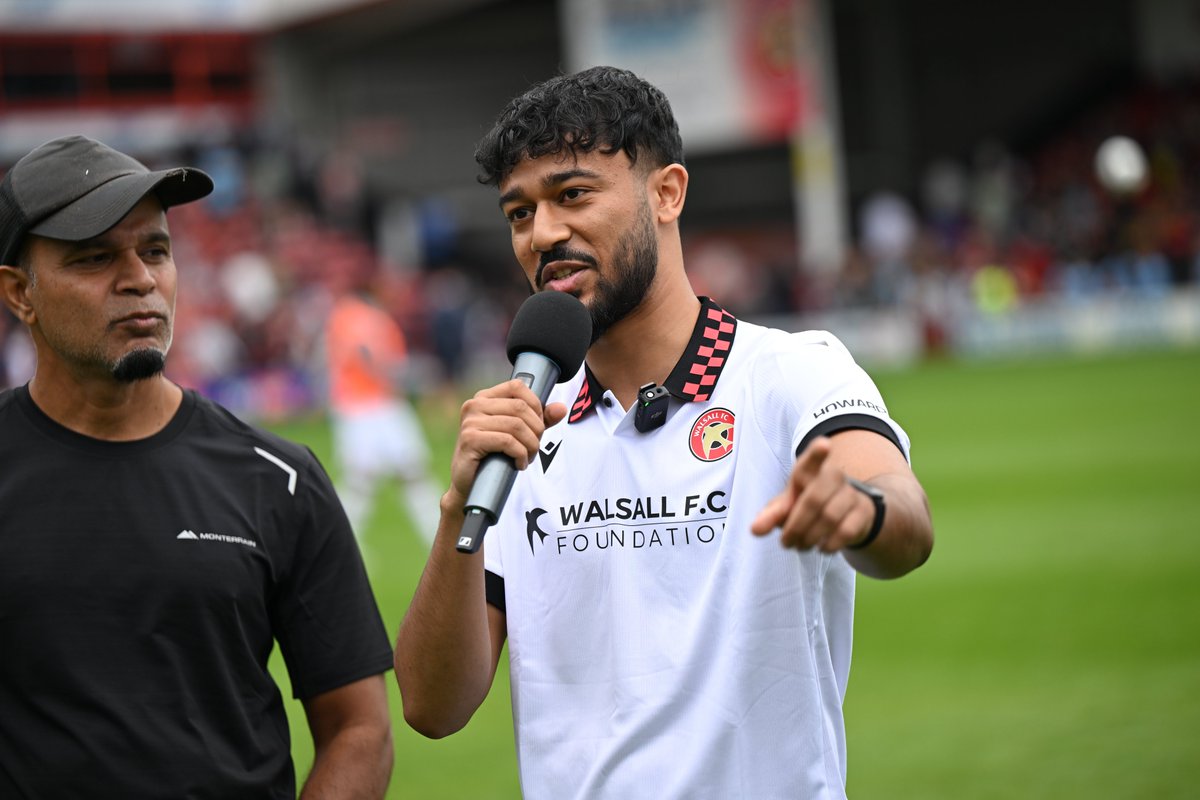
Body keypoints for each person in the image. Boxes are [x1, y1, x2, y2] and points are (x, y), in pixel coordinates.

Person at [393, 66, 935, 799]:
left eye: (572, 194)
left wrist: (861, 507)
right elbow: (432, 707)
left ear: (667, 193)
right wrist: (459, 507)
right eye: (519, 212)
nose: (543, 234)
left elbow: (906, 521)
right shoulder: (522, 429)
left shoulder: (791, 373)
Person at [0, 135, 394, 799]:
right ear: (20, 293)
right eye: (95, 257)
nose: (140, 279)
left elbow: (359, 729)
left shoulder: (279, 478)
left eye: (156, 250)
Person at [324, 273, 441, 547]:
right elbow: (368, 353)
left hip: (370, 404)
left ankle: (337, 544)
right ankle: (336, 544)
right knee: (374, 479)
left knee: (395, 475)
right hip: (368, 406)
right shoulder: (361, 315)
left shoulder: (347, 314)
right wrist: (395, 375)